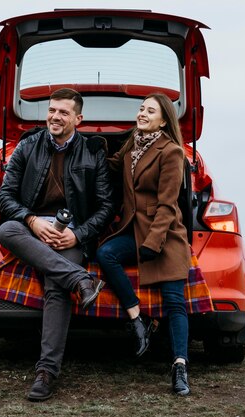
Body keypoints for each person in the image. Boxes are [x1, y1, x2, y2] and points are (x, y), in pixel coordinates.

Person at [0, 88, 115, 401]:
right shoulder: (27, 146)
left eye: (63, 112)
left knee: (56, 285)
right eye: (51, 110)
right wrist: (32, 221)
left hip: (72, 233)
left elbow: (106, 206)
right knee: (7, 230)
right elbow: (4, 196)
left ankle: (46, 372)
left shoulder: (93, 152)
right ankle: (81, 280)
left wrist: (78, 235)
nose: (55, 117)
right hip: (31, 227)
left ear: (78, 118)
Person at [96, 92, 192, 396]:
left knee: (175, 302)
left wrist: (154, 243)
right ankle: (139, 319)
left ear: (163, 119)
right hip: (133, 229)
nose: (142, 113)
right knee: (106, 253)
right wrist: (89, 146)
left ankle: (180, 367)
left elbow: (167, 205)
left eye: (150, 111)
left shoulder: (171, 152)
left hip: (165, 235)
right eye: (141, 109)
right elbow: (110, 168)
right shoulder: (131, 146)